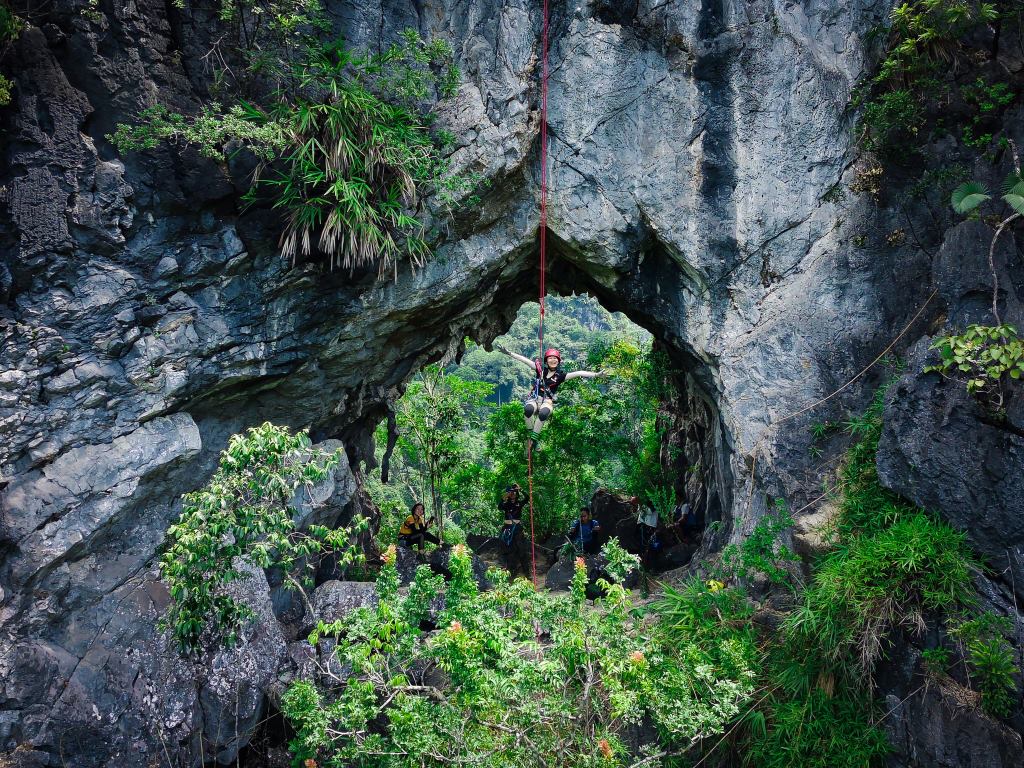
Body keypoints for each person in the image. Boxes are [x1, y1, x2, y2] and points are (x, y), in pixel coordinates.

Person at [496, 344, 607, 446]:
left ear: (558, 361)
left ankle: (534, 439)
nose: (553, 360)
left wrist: (596, 375)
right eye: (550, 358)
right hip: (535, 399)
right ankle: (531, 435)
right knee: (528, 410)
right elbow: (525, 360)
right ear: (546, 361)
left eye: (555, 359)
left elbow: (579, 373)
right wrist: (509, 353)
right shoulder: (540, 370)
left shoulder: (560, 376)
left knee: (543, 413)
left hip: (547, 401)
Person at [498, 484, 530, 575]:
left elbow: (527, 498)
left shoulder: (519, 503)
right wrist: (504, 498)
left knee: (522, 550)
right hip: (507, 529)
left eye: (514, 492)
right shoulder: (506, 504)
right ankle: (508, 571)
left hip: (517, 529)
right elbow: (500, 507)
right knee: (505, 548)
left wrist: (521, 489)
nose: (512, 494)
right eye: (511, 492)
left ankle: (527, 573)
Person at [633, 496, 660, 568]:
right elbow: (639, 512)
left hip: (648, 527)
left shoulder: (655, 502)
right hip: (642, 526)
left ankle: (649, 566)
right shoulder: (643, 503)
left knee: (647, 546)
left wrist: (640, 503)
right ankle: (643, 564)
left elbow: (650, 511)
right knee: (641, 545)